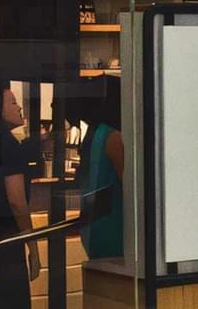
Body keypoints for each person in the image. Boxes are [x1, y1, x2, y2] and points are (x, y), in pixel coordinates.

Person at [0, 80, 40, 308]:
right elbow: (16, 201)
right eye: (13, 103)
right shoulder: (8, 144)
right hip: (8, 236)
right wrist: (32, 246)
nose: (19, 107)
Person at [76, 76, 124, 259]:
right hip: (113, 225)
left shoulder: (93, 133)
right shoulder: (113, 137)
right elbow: (129, 183)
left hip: (93, 224)